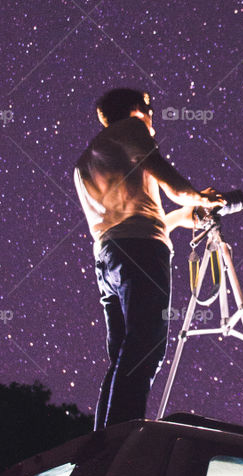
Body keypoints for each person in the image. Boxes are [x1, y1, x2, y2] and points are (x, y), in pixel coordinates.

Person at [74, 87, 223, 429]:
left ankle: (104, 440)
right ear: (138, 109)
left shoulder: (86, 161)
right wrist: (200, 197)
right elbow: (166, 178)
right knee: (145, 349)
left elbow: (128, 222)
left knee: (124, 356)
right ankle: (123, 438)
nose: (153, 114)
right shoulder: (132, 128)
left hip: (109, 258)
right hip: (141, 253)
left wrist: (180, 217)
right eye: (150, 107)